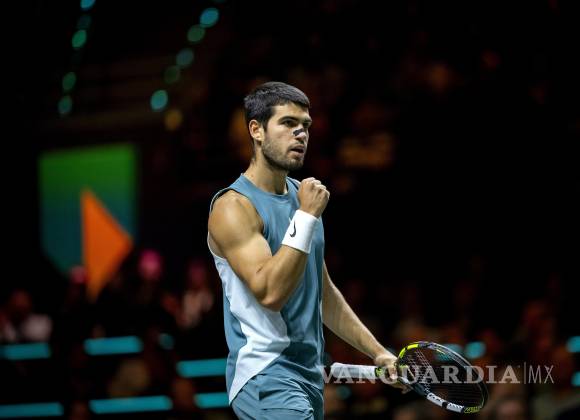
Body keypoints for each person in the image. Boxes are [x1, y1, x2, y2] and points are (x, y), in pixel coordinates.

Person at [207, 81, 404, 419]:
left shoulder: (302, 198)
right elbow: (270, 292)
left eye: (305, 126)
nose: (300, 134)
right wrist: (306, 216)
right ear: (256, 130)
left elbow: (323, 294)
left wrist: (378, 353)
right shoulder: (233, 207)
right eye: (288, 123)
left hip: (308, 379)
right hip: (266, 377)